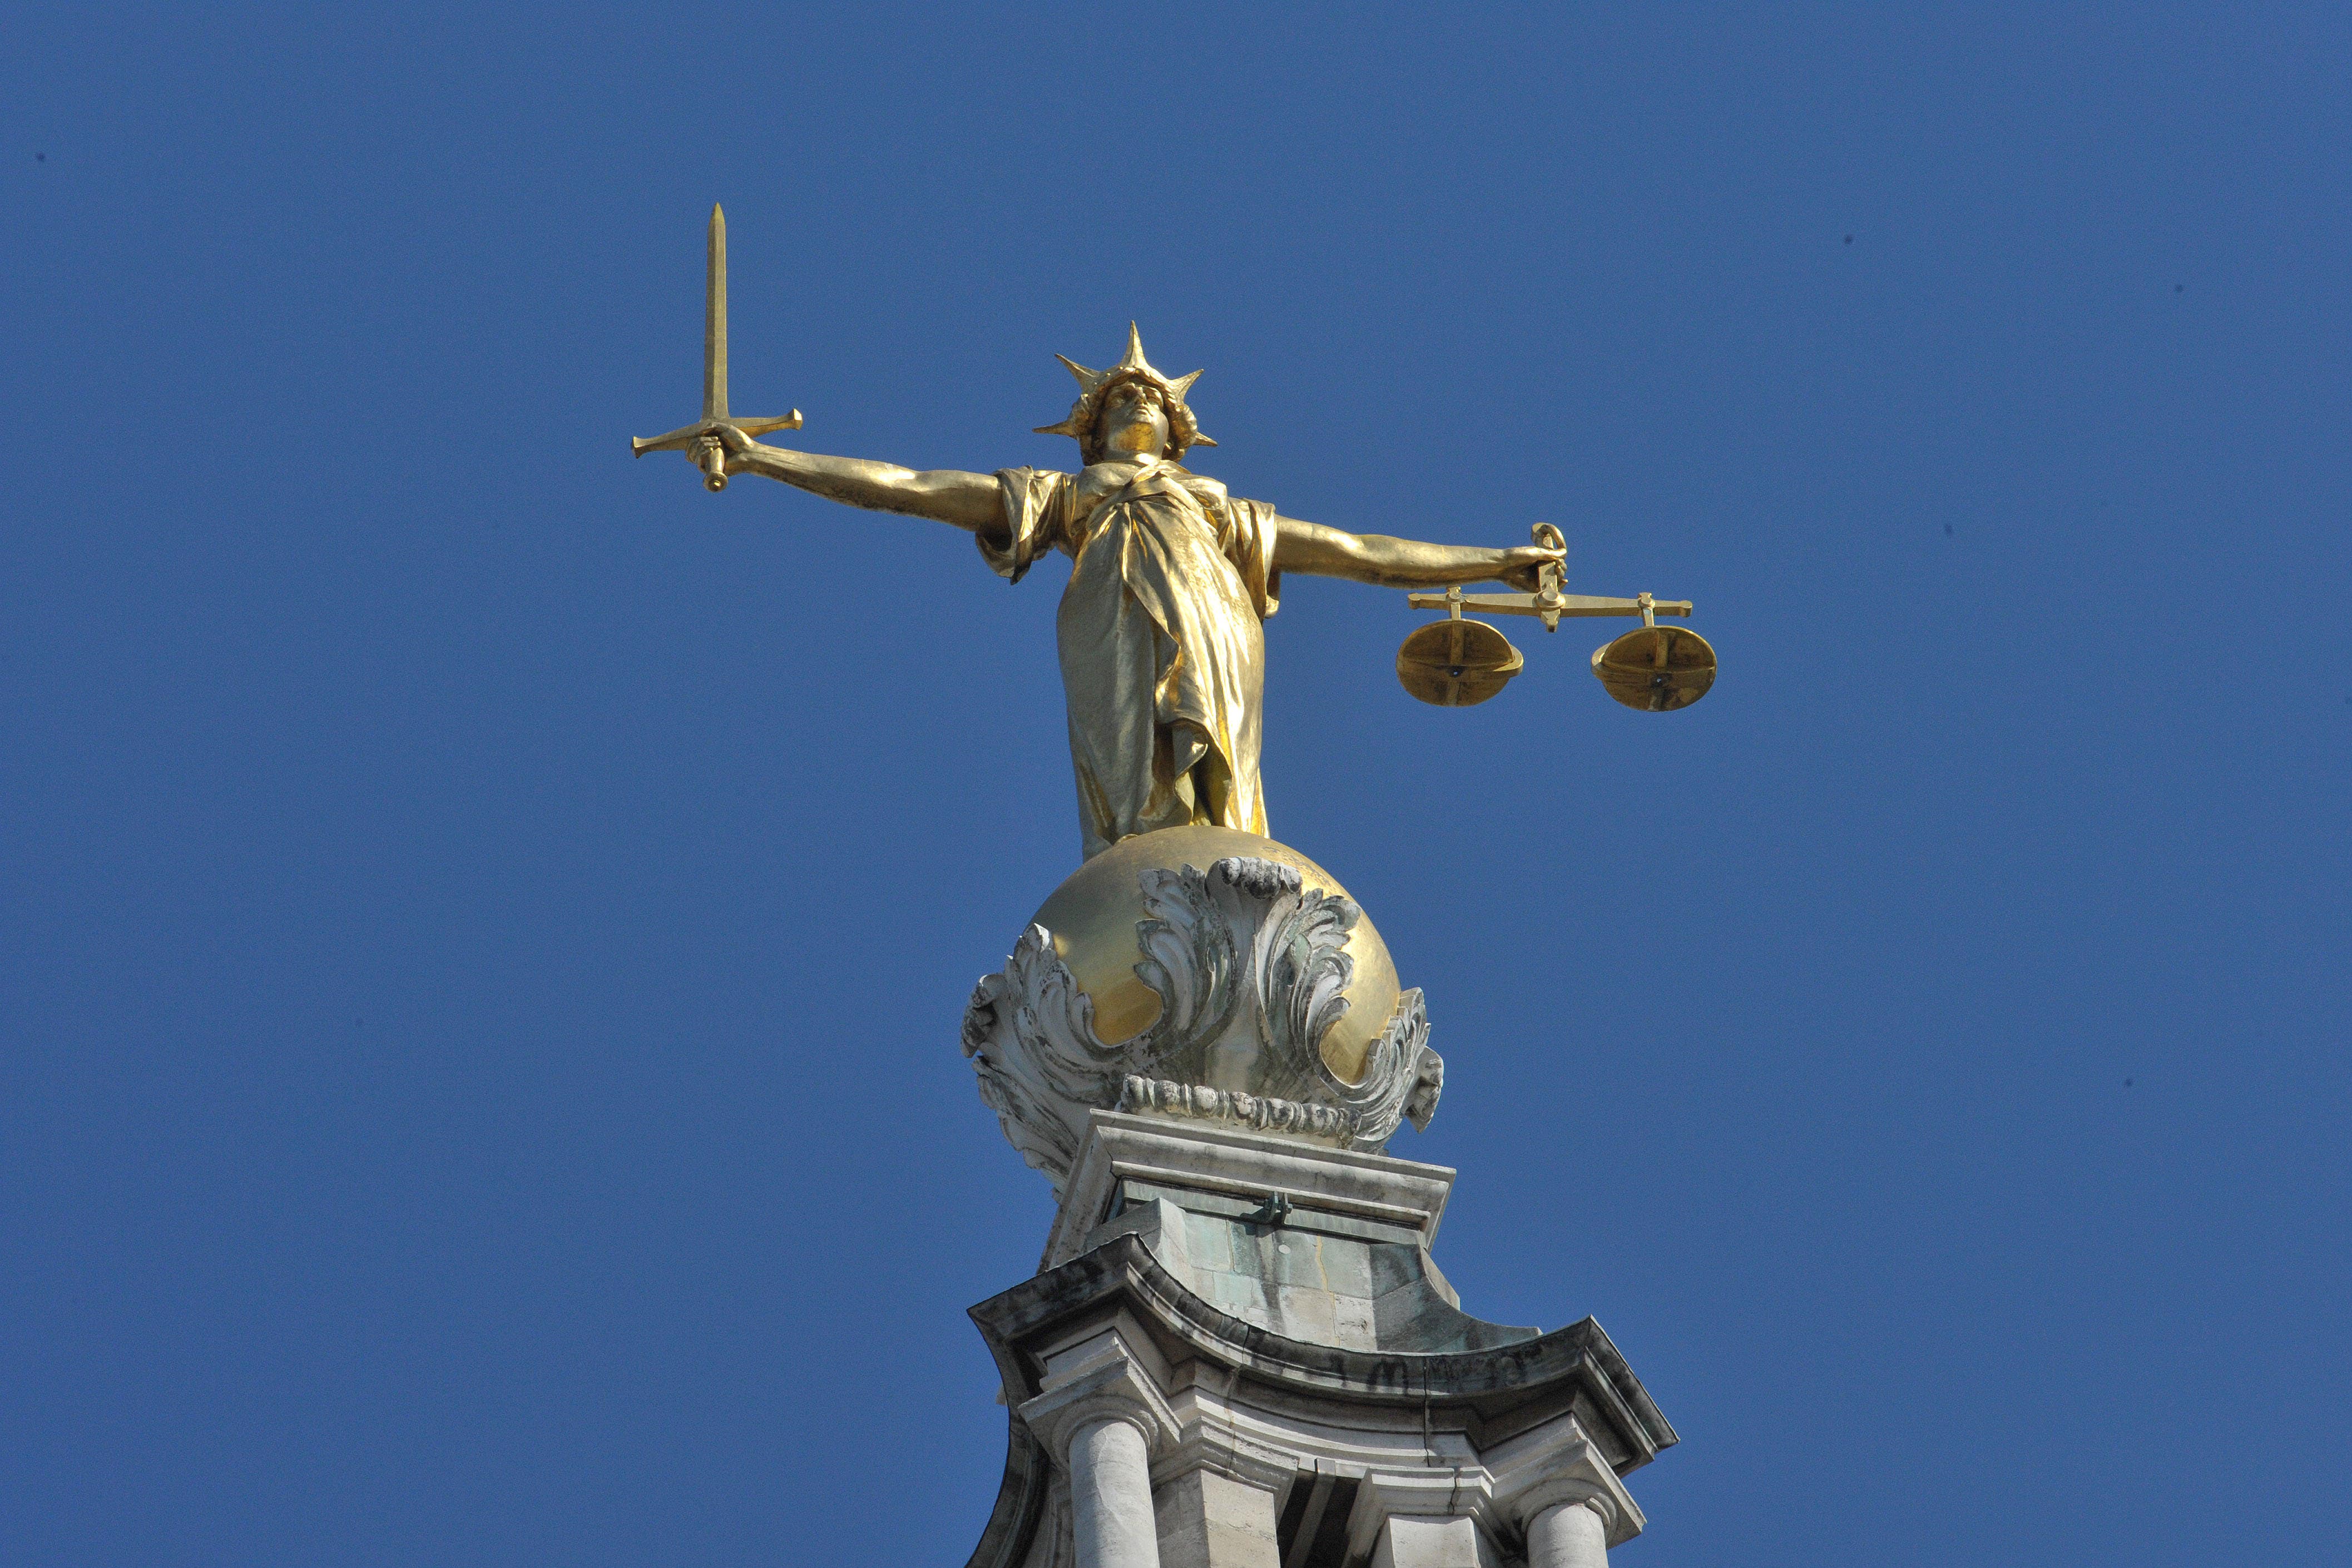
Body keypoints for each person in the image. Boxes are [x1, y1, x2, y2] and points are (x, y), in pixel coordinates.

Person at [704, 326, 1560, 859]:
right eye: (1122, 398)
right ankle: (1136, 851)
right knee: (1127, 774)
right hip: (1107, 622)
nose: (1139, 402)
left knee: (1221, 767)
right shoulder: (1066, 495)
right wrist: (764, 457)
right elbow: (912, 486)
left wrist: (1494, 563)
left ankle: (1222, 844)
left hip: (1216, 625)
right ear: (1093, 428)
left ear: (1181, 433)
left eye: (1151, 398)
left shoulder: (1218, 507)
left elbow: (1358, 551)